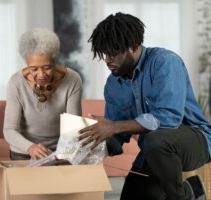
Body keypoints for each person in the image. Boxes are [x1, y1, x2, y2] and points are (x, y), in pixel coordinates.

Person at [78, 12, 211, 200]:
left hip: (195, 140)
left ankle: (182, 197)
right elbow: (116, 138)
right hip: (154, 151)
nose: (107, 59)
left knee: (155, 141)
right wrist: (86, 145)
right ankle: (193, 190)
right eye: (104, 54)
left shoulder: (165, 62)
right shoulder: (113, 84)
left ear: (133, 46)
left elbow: (169, 119)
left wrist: (113, 126)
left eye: (113, 53)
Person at [0, 28, 82, 200]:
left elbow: (73, 127)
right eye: (33, 69)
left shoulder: (73, 79)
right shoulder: (15, 83)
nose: (41, 75)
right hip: (23, 153)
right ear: (26, 64)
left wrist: (64, 154)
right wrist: (30, 147)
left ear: (55, 60)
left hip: (57, 154)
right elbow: (9, 130)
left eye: (47, 67)